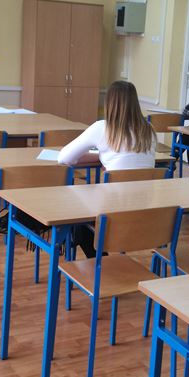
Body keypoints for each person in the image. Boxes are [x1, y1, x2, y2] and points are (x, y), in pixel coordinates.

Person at [58, 80, 157, 257]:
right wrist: (104, 156)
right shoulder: (149, 130)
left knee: (76, 210)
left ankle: (98, 259)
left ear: (109, 103)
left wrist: (102, 156)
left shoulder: (102, 128)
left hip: (112, 208)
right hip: (144, 209)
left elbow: (64, 158)